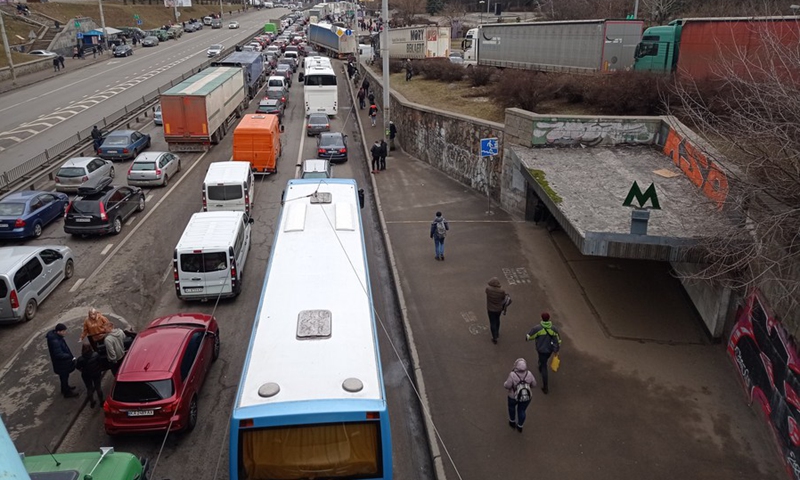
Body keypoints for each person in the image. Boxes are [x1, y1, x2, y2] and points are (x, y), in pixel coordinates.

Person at [526, 312, 562, 394]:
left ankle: (545, 387)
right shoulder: (553, 328)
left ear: (542, 318)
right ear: (549, 319)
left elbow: (530, 336)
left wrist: (527, 337)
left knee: (544, 366)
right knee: (544, 360)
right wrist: (556, 350)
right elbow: (558, 340)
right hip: (549, 350)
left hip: (541, 349)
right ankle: (540, 364)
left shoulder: (537, 328)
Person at [503, 358, 536, 433]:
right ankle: (520, 426)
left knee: (511, 408)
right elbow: (534, 384)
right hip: (526, 397)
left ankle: (512, 421)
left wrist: (505, 384)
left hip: (513, 396)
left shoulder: (512, 375)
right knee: (522, 410)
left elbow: (507, 386)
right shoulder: (529, 374)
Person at [46, 323, 78, 398]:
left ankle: (65, 388)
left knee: (64, 377)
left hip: (61, 364)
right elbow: (58, 354)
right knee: (64, 377)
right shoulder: (55, 341)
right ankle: (67, 393)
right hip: (61, 364)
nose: (65, 332)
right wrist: (69, 356)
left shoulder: (56, 338)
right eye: (63, 331)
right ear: (58, 331)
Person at [75, 342, 104, 408]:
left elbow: (77, 366)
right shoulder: (96, 355)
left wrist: (82, 370)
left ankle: (92, 402)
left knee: (89, 388)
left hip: (86, 375)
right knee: (98, 387)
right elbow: (100, 363)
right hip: (96, 373)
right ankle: (101, 401)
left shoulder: (81, 359)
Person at [485, 277, 507, 344]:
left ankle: (494, 337)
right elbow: (503, 298)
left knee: (492, 322)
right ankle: (497, 332)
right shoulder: (501, 291)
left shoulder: (488, 289)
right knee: (497, 320)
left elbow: (486, 292)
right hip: (498, 309)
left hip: (490, 309)